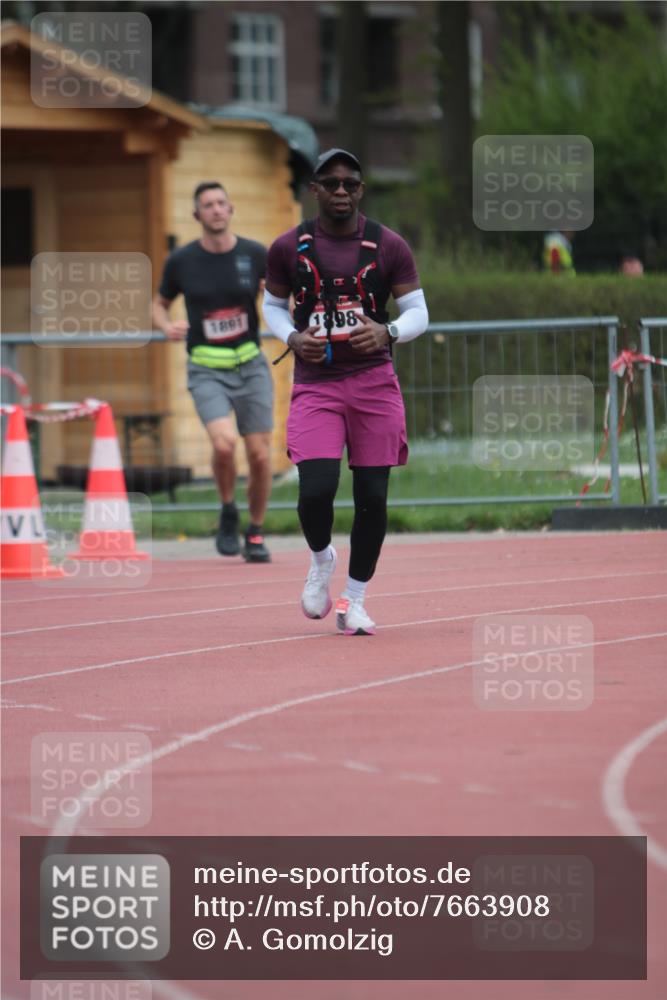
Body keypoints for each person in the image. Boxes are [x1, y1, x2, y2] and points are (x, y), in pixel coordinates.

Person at [262, 148, 429, 635]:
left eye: (350, 184)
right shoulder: (288, 247)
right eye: (330, 183)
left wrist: (388, 331)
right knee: (316, 490)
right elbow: (272, 306)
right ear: (313, 189)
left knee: (372, 497)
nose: (341, 191)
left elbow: (418, 312)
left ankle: (353, 599)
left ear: (361, 190)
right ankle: (321, 559)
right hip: (317, 384)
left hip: (374, 382)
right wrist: (292, 337)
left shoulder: (388, 245)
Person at [152, 181, 272, 562]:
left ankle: (255, 531)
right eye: (208, 205)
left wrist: (285, 311)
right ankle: (228, 509)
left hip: (250, 365)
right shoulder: (182, 261)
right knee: (224, 444)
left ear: (231, 209)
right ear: (197, 214)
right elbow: (158, 303)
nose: (216, 210)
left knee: (260, 456)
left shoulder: (255, 254)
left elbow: (280, 298)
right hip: (206, 367)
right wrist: (165, 325)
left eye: (221, 203)